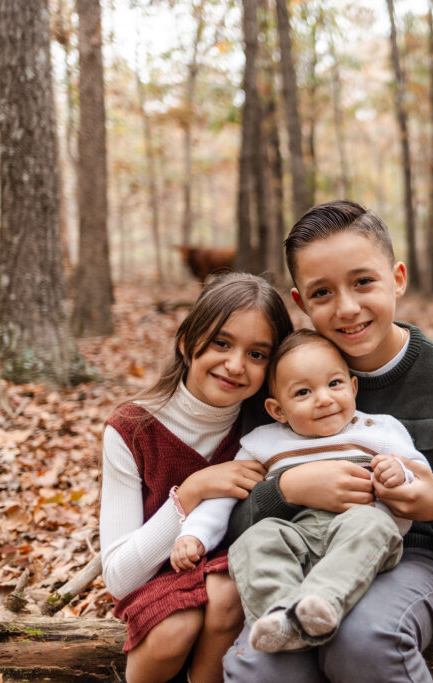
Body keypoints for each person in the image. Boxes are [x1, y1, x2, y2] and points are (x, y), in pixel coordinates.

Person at [222, 200, 433, 682]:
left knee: (363, 640)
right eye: (322, 292)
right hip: (297, 550)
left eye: (363, 282)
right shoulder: (282, 383)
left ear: (397, 278)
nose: (348, 307)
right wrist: (287, 490)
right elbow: (233, 521)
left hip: (417, 555)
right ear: (300, 302)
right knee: (260, 665)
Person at [170, 329, 429, 654]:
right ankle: (279, 615)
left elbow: (421, 476)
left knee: (373, 525)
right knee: (254, 539)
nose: (324, 398)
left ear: (353, 387)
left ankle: (321, 604)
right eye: (304, 392)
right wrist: (194, 534)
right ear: (278, 410)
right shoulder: (264, 443)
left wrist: (400, 474)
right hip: (294, 541)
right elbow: (226, 494)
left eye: (334, 384)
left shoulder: (378, 431)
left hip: (357, 540)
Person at [99, 272, 293, 683]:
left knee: (226, 594)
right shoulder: (132, 428)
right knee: (175, 627)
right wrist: (192, 492)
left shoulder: (270, 424)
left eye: (258, 355)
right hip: (159, 576)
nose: (236, 365)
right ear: (187, 341)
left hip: (240, 577)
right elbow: (118, 578)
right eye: (221, 343)